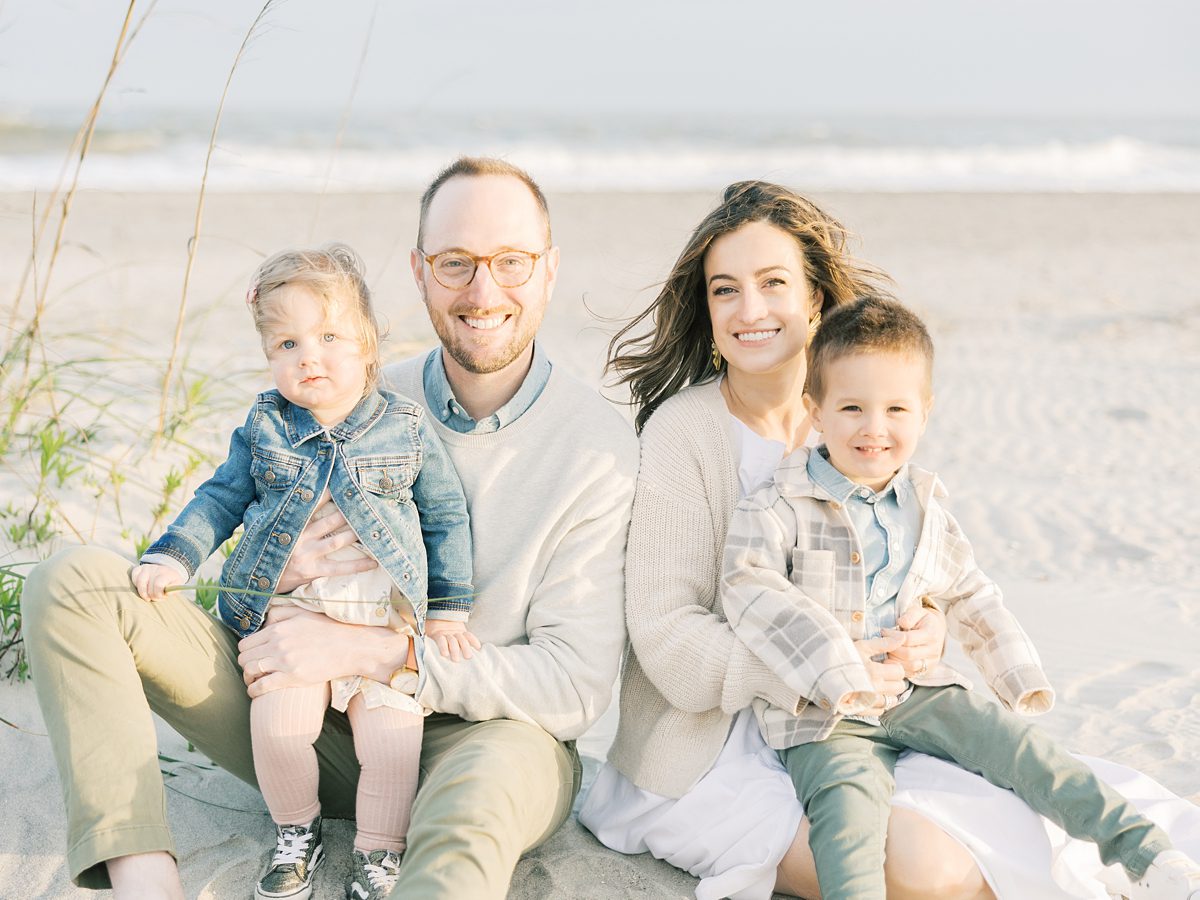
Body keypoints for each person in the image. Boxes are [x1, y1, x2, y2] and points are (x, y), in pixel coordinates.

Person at [22, 156, 639, 900]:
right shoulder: (347, 383)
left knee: (475, 813)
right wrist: (269, 572)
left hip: (481, 737)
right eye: (455, 262)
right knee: (73, 582)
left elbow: (572, 687)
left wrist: (382, 652)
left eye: (511, 260)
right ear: (417, 271)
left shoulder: (598, 449)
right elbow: (230, 522)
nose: (483, 289)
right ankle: (145, 878)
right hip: (300, 713)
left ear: (548, 269)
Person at [580, 179, 1200, 900]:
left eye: (773, 283)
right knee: (924, 870)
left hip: (878, 708)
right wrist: (820, 666)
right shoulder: (683, 434)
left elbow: (918, 563)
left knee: (1017, 818)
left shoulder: (859, 413)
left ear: (814, 298)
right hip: (713, 746)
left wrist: (927, 629)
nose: (749, 310)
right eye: (725, 290)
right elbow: (665, 639)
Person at [719, 295, 1200, 900]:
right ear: (815, 411)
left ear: (924, 412)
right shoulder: (777, 506)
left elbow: (969, 590)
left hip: (922, 693)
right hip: (824, 715)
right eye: (851, 408)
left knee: (1031, 757)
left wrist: (1014, 674)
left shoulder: (925, 506)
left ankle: (1149, 857)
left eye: (896, 408)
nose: (874, 427)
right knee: (847, 824)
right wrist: (835, 665)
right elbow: (749, 589)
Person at [130, 243, 477, 900]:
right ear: (269, 357)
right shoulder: (266, 425)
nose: (308, 356)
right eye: (287, 343)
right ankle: (297, 830)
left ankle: (379, 852)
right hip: (294, 610)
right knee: (281, 729)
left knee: (394, 743)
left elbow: (444, 513)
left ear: (368, 345)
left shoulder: (403, 426)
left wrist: (449, 610)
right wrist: (173, 555)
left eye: (327, 336)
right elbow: (220, 497)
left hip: (383, 613)